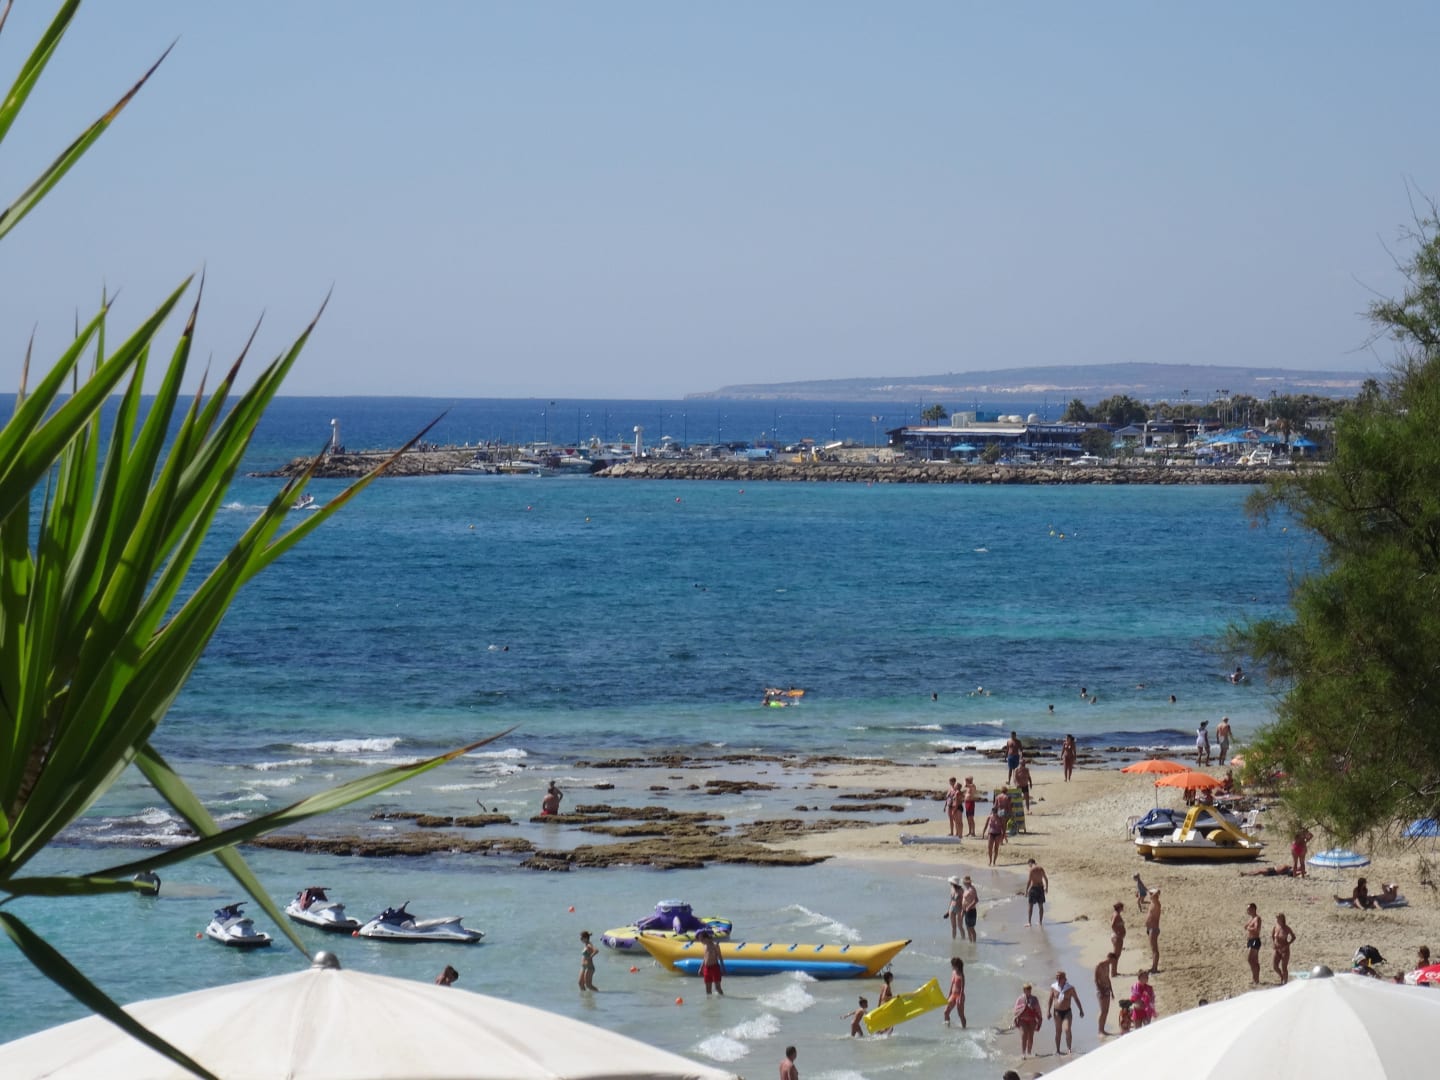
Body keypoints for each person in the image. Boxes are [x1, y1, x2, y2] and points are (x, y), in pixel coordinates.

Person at [1047, 970, 1084, 1056]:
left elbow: (1076, 999)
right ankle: (1058, 1050)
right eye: (1057, 976)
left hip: (1067, 1012)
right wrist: (1048, 1011)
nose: (1058, 978)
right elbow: (1050, 999)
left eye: (1060, 976)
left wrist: (1081, 1010)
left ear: (1064, 978)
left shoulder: (1070, 988)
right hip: (1057, 1012)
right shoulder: (1053, 987)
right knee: (1058, 1031)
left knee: (1067, 1029)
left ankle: (1069, 1049)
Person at [1013, 982, 1042, 1058]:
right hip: (1022, 1020)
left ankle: (1029, 1053)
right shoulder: (1020, 999)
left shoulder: (1034, 999)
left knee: (1030, 1038)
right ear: (1024, 990)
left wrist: (1040, 1021)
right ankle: (1023, 1054)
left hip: (1032, 1020)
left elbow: (1038, 1010)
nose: (1029, 990)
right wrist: (1023, 1008)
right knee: (1024, 1035)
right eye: (1027, 989)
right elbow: (1015, 1010)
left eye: (1030, 989)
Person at [698, 929, 725, 995]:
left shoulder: (715, 945)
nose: (701, 941)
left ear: (706, 938)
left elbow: (720, 957)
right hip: (707, 968)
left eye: (701, 940)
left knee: (717, 987)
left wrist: (723, 968)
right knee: (708, 989)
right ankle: (709, 1001)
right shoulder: (704, 946)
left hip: (715, 967)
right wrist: (701, 968)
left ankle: (723, 998)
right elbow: (705, 958)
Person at [1094, 953, 1116, 1035]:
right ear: (1109, 958)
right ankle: (1100, 1030)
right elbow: (1096, 980)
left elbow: (1107, 978)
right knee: (1103, 1011)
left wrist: (1112, 991)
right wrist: (1101, 990)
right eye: (1112, 960)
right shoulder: (1099, 966)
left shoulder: (1107, 966)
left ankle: (1102, 1029)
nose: (1112, 962)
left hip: (1107, 989)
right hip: (1101, 990)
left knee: (1106, 1011)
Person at [1272, 913, 1297, 984]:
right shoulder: (1275, 927)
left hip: (1284, 950)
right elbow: (1272, 936)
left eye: (1278, 918)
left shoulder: (1286, 928)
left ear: (1282, 919)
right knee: (1275, 966)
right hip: (1277, 949)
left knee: (1284, 967)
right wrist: (1274, 943)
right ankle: (1282, 976)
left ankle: (1285, 982)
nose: (1277, 919)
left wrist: (1288, 944)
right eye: (1276, 918)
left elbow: (1293, 937)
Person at [943, 956, 966, 1027]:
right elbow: (952, 985)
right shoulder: (953, 972)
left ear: (957, 966)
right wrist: (949, 995)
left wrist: (960, 998)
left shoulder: (961, 975)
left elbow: (962, 988)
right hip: (953, 995)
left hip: (959, 995)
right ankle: (948, 1027)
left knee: (961, 1015)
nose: (951, 966)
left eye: (952, 965)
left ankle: (964, 1029)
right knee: (946, 1012)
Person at [1026, 859, 1049, 927]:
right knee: (1041, 906)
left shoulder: (1032, 870)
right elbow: (1046, 879)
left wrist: (1026, 890)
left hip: (1034, 888)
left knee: (1030, 905)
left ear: (1030, 863)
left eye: (1029, 865)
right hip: (1041, 888)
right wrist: (1046, 888)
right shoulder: (1041, 868)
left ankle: (1029, 923)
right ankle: (1040, 922)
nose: (1029, 866)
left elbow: (1029, 881)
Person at [1244, 903, 1263, 985]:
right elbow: (1246, 926)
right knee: (1254, 960)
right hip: (1250, 940)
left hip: (1255, 940)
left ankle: (1256, 978)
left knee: (1250, 959)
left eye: (1249, 909)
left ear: (1253, 909)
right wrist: (1247, 926)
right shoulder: (1252, 918)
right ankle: (1255, 979)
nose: (1247, 911)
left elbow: (1256, 929)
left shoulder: (1257, 918)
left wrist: (1248, 928)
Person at [1144, 888, 1161, 972]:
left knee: (1154, 949)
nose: (1150, 895)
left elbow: (1158, 891)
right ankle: (1153, 967)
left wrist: (1155, 892)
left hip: (1153, 929)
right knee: (1153, 949)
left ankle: (1155, 968)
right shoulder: (1152, 903)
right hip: (1150, 928)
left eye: (1151, 894)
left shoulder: (1157, 903)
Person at [961, 875, 979, 943]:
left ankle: (974, 943)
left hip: (971, 911)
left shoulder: (972, 889)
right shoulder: (966, 888)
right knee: (968, 928)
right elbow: (965, 900)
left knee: (971, 928)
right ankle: (970, 943)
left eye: (964, 882)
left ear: (967, 882)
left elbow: (976, 900)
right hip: (966, 911)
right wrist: (963, 910)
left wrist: (969, 907)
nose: (963, 883)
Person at [945, 875, 964, 939]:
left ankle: (963, 939)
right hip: (952, 908)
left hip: (959, 908)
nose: (950, 883)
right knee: (953, 927)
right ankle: (954, 941)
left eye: (951, 882)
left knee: (960, 926)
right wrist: (948, 911)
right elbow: (951, 900)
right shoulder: (952, 888)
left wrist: (963, 911)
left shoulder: (961, 890)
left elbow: (964, 901)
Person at [1110, 902, 1126, 973]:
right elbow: (1113, 925)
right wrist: (1118, 932)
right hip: (1117, 937)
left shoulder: (1115, 914)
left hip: (1117, 936)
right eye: (1122, 907)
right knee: (1116, 955)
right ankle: (1113, 972)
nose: (1123, 909)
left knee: (1117, 955)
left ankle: (1114, 971)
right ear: (1119, 908)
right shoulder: (1116, 915)